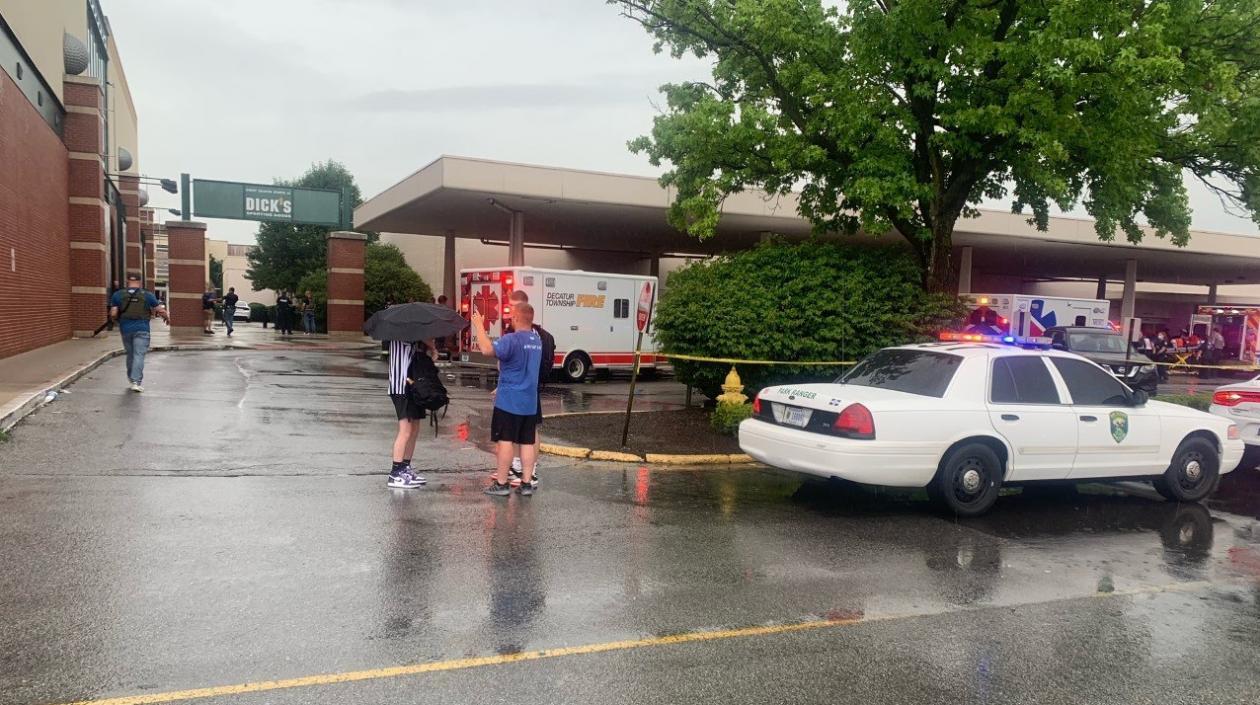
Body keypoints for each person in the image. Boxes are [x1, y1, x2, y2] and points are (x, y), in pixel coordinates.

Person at [472, 302, 543, 496]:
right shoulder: (536, 341)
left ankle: (502, 484)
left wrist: (479, 325)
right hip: (529, 402)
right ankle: (526, 483)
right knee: (527, 442)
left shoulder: (511, 340)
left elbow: (486, 349)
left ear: (518, 318)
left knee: (505, 441)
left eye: (512, 316)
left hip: (509, 401)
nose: (511, 319)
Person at [505, 290, 555, 488]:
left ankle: (530, 472)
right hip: (518, 388)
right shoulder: (515, 332)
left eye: (514, 306)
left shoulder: (532, 335)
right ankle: (518, 467)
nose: (510, 311)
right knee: (519, 430)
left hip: (528, 389)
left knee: (530, 430)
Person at [386, 338, 436, 489]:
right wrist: (432, 346)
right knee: (405, 430)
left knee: (414, 429)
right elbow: (421, 336)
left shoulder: (408, 333)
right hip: (402, 387)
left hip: (411, 385)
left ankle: (405, 468)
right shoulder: (402, 331)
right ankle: (395, 473)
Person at [109, 273, 169, 393]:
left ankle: (131, 378)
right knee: (139, 355)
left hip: (126, 329)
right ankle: (136, 382)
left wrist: (115, 320)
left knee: (130, 354)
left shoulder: (118, 295)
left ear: (127, 281)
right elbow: (160, 310)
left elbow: (113, 313)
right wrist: (167, 318)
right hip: (142, 329)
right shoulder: (147, 295)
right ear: (140, 282)